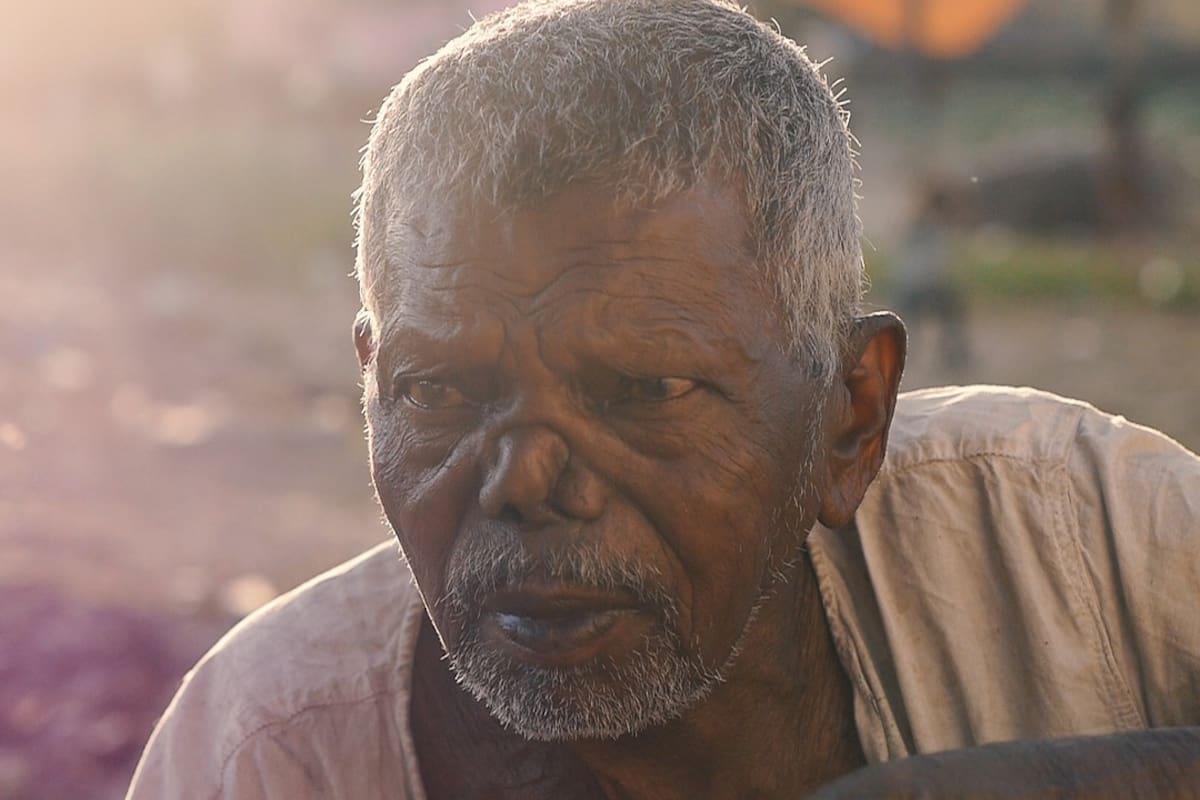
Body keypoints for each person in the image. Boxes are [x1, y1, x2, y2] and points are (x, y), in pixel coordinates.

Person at [125, 1, 1200, 797]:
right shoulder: (262, 751)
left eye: (642, 389)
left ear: (851, 415)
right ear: (370, 381)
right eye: (441, 388)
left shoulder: (1085, 540)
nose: (525, 480)